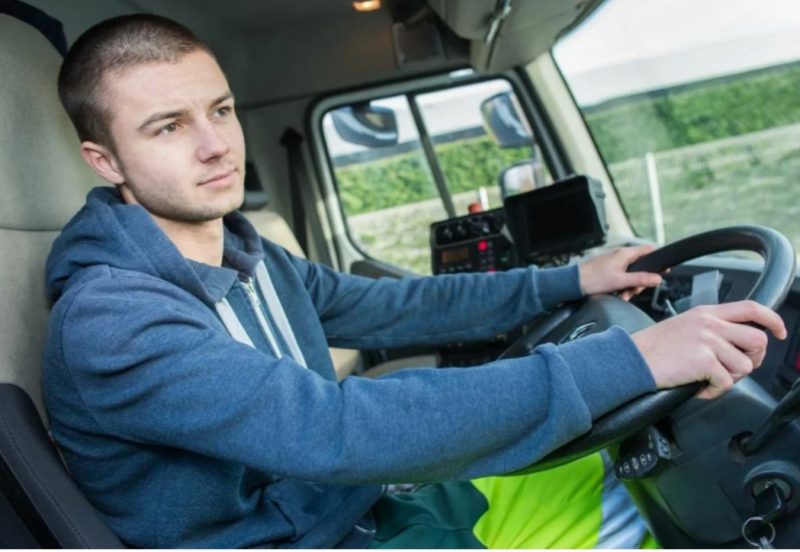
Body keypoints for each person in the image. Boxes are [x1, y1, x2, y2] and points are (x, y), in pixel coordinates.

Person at [43, 14, 786, 549]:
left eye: (221, 110)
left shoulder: (244, 250)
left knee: (610, 475)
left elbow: (391, 306)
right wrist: (635, 358)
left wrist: (571, 280)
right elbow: (332, 429)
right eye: (169, 126)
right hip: (304, 536)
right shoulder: (113, 320)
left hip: (352, 508)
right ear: (104, 160)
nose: (215, 145)